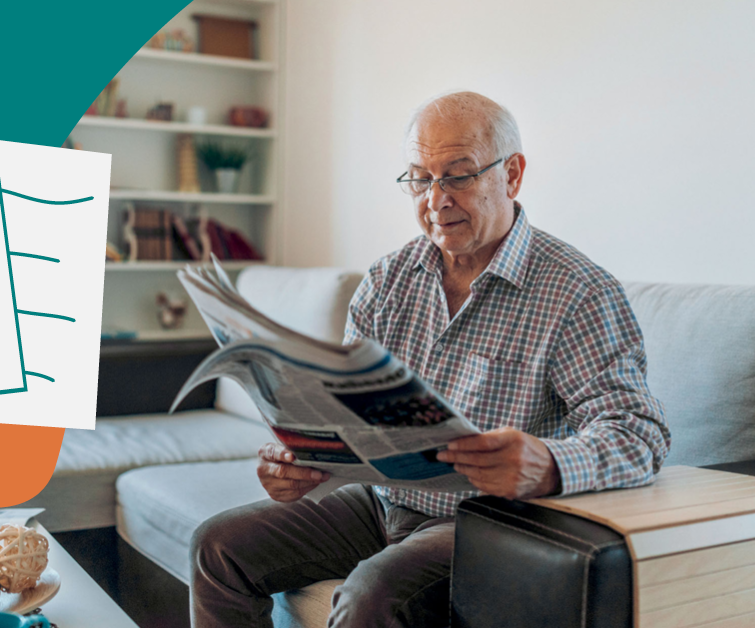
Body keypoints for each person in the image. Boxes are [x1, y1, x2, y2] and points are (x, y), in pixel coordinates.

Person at [189, 91, 671, 628]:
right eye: (420, 178)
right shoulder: (387, 280)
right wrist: (300, 462)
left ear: (511, 175)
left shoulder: (578, 291)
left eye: (458, 175)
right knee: (217, 548)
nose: (436, 199)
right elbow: (346, 418)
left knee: (371, 594)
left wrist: (548, 463)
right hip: (377, 501)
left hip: (486, 518)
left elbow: (639, 435)